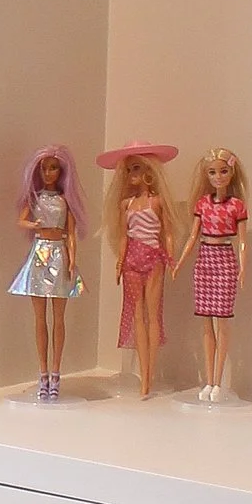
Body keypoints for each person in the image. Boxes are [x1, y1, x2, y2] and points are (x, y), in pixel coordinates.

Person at [99, 144, 177, 398]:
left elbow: (167, 232)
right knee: (137, 316)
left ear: (150, 171)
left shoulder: (158, 201)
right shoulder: (126, 204)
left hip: (154, 259)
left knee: (153, 315)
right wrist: (120, 261)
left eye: (137, 168)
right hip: (132, 259)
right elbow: (123, 236)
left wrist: (171, 257)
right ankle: (144, 377)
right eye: (130, 169)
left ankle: (149, 376)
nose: (133, 174)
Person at [8, 148, 85, 401]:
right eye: (45, 168)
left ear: (61, 172)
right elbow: (21, 220)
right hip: (40, 254)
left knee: (59, 319)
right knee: (40, 319)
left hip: (59, 253)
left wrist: (73, 259)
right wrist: (32, 224)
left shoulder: (65, 201)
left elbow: (71, 233)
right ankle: (42, 373)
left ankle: (56, 372)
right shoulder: (35, 198)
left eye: (53, 168)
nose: (49, 172)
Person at [176, 147, 249, 399]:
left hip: (225, 259)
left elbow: (242, 241)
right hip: (205, 259)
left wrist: (242, 266)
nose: (218, 177)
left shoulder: (237, 206)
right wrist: (180, 262)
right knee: (206, 325)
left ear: (232, 173)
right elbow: (193, 236)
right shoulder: (203, 204)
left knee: (223, 325)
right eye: (212, 172)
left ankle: (218, 381)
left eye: (223, 171)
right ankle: (208, 382)